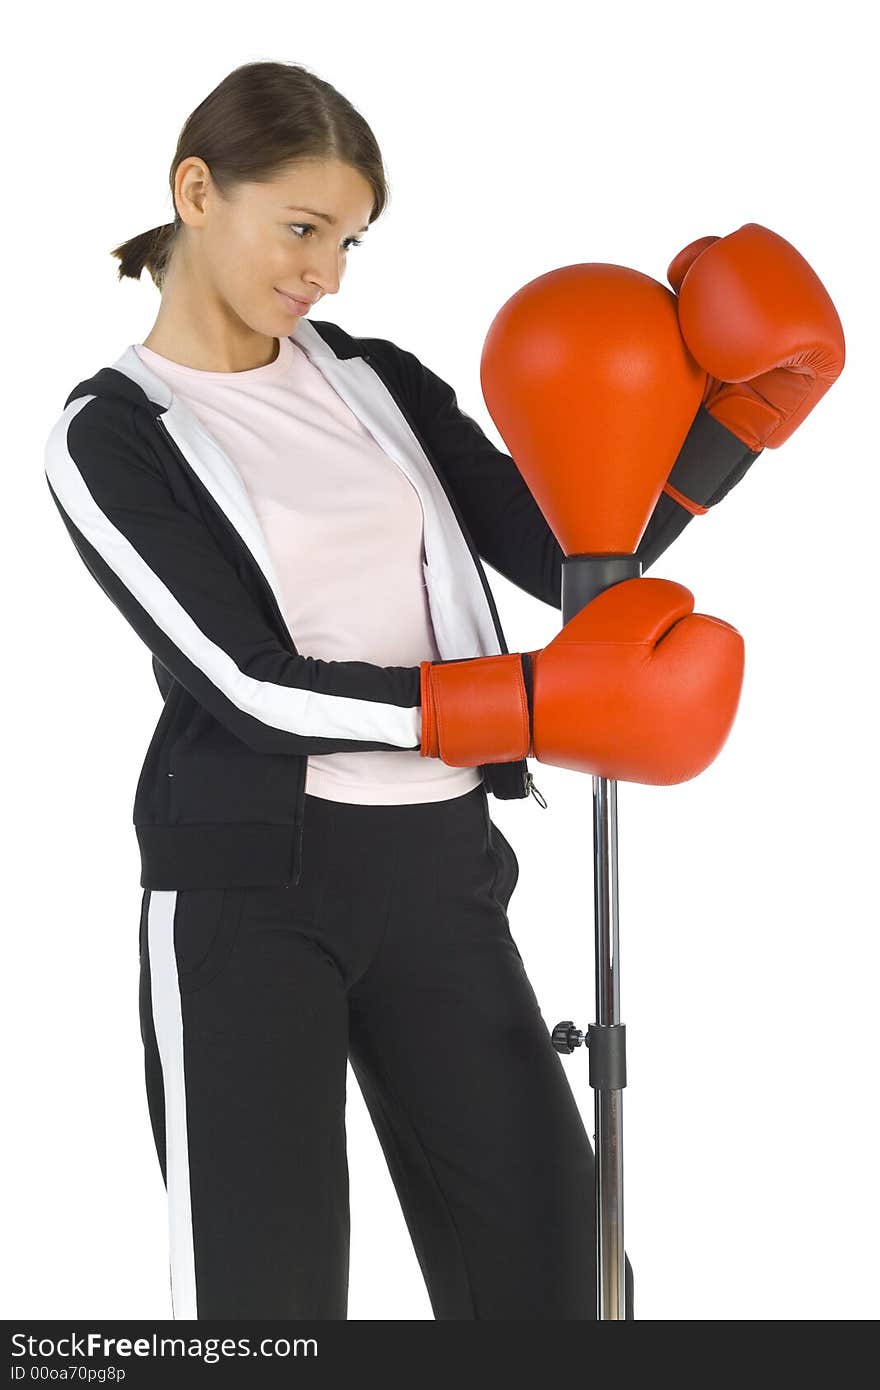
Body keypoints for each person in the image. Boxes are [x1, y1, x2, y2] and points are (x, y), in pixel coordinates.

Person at [44, 59, 643, 1320]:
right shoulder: (110, 434)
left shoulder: (371, 377)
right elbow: (245, 682)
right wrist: (523, 705)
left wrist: (731, 429)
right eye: (303, 228)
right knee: (270, 1311)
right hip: (253, 898)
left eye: (350, 239)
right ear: (196, 192)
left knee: (562, 1284)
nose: (325, 272)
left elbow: (569, 553)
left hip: (439, 871)